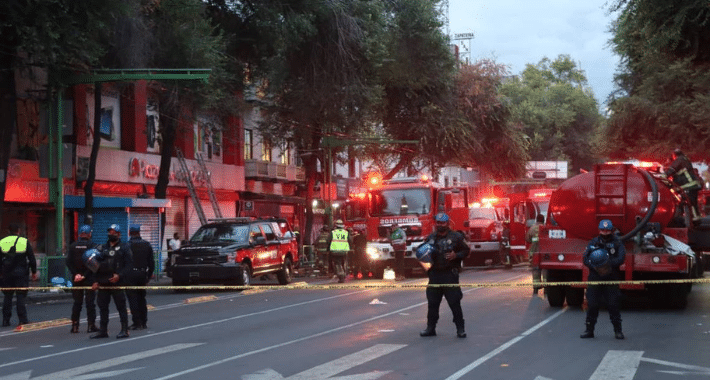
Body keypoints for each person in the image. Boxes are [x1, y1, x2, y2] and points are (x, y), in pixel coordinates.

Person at [418, 212, 470, 338]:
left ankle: (460, 329)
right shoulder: (431, 237)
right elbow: (422, 254)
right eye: (438, 223)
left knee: (454, 303)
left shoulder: (456, 237)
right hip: (435, 275)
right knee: (432, 303)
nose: (440, 225)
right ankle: (430, 328)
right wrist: (425, 263)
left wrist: (456, 255)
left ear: (448, 223)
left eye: (442, 223)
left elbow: (466, 250)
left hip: (449, 274)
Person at [580, 219, 626, 340]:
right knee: (592, 305)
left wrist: (607, 264)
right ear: (599, 230)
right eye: (603, 230)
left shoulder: (617, 243)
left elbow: (621, 258)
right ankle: (589, 330)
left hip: (611, 277)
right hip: (595, 277)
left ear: (611, 230)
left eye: (607, 230)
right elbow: (585, 258)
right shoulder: (593, 242)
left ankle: (618, 331)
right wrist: (595, 266)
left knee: (613, 305)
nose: (605, 233)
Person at [91, 224, 133, 339]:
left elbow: (129, 265)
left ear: (119, 234)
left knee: (121, 307)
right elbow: (96, 266)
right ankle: (103, 330)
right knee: (103, 308)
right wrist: (95, 281)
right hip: (103, 283)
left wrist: (119, 275)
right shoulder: (103, 248)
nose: (111, 234)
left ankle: (125, 329)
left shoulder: (125, 248)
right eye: (110, 232)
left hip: (117, 283)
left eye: (114, 232)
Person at [1, 223, 38, 327]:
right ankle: (22, 319)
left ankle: (5, 320)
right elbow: (31, 258)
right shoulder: (24, 241)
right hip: (21, 274)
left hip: (6, 274)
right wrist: (34, 272)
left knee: (7, 297)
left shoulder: (2, 242)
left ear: (8, 231)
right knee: (20, 297)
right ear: (18, 231)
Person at [65, 224, 99, 333]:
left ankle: (75, 326)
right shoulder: (92, 245)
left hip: (76, 279)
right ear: (89, 234)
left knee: (77, 303)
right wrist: (85, 275)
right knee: (90, 303)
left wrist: (76, 274)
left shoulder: (73, 245)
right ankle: (91, 325)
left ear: (80, 234)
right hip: (89, 278)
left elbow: (68, 262)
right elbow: (94, 263)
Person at [126, 224, 154, 330]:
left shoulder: (127, 245)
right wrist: (148, 276)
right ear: (139, 232)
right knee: (142, 299)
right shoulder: (147, 245)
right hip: (142, 274)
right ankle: (144, 321)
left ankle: (136, 322)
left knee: (133, 299)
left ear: (129, 232)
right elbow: (151, 263)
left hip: (130, 275)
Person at [664, 149, 702, 222]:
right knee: (693, 203)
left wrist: (663, 176)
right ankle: (696, 220)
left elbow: (671, 170)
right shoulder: (685, 159)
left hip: (688, 185)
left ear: (674, 155)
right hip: (692, 185)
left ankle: (694, 220)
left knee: (690, 202)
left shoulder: (679, 160)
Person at [526, 214, 545, 295]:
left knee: (536, 270)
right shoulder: (545, 227)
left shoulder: (532, 228)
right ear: (543, 220)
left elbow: (527, 239)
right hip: (544, 251)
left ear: (536, 220)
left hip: (534, 251)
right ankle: (547, 288)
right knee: (545, 269)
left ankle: (536, 289)